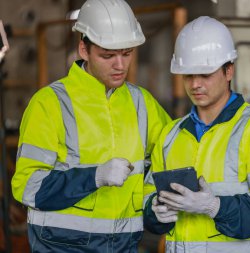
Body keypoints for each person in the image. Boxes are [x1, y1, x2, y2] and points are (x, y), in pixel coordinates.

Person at [11, 0, 171, 252]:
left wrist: (155, 205)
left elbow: (169, 160)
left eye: (127, 53)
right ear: (83, 49)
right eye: (108, 55)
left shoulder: (143, 103)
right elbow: (27, 187)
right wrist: (93, 177)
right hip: (61, 246)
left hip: (124, 245)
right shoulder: (50, 103)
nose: (120, 65)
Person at [143, 16, 250, 253]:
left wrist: (215, 207)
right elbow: (148, 198)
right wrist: (154, 210)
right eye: (188, 75)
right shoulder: (170, 135)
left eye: (205, 74)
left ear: (229, 70)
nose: (195, 84)